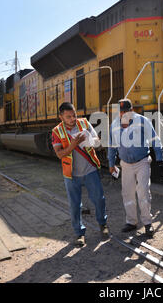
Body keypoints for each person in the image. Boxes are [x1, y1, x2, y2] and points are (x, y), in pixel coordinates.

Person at [52, 102, 108, 247]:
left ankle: (103, 224)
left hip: (90, 170)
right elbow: (59, 154)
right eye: (69, 116)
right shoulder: (56, 131)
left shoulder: (84, 123)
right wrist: (73, 144)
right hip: (71, 175)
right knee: (75, 205)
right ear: (61, 117)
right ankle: (79, 234)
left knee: (99, 199)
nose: (73, 119)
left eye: (74, 115)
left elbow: (97, 141)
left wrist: (91, 141)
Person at [108, 99, 163, 238]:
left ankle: (147, 223)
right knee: (127, 193)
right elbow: (111, 146)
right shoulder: (114, 125)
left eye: (126, 111)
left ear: (131, 110)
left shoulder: (143, 121)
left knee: (143, 192)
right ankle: (131, 222)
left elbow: (154, 139)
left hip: (142, 162)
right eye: (121, 111)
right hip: (125, 164)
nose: (123, 114)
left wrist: (159, 157)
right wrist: (111, 164)